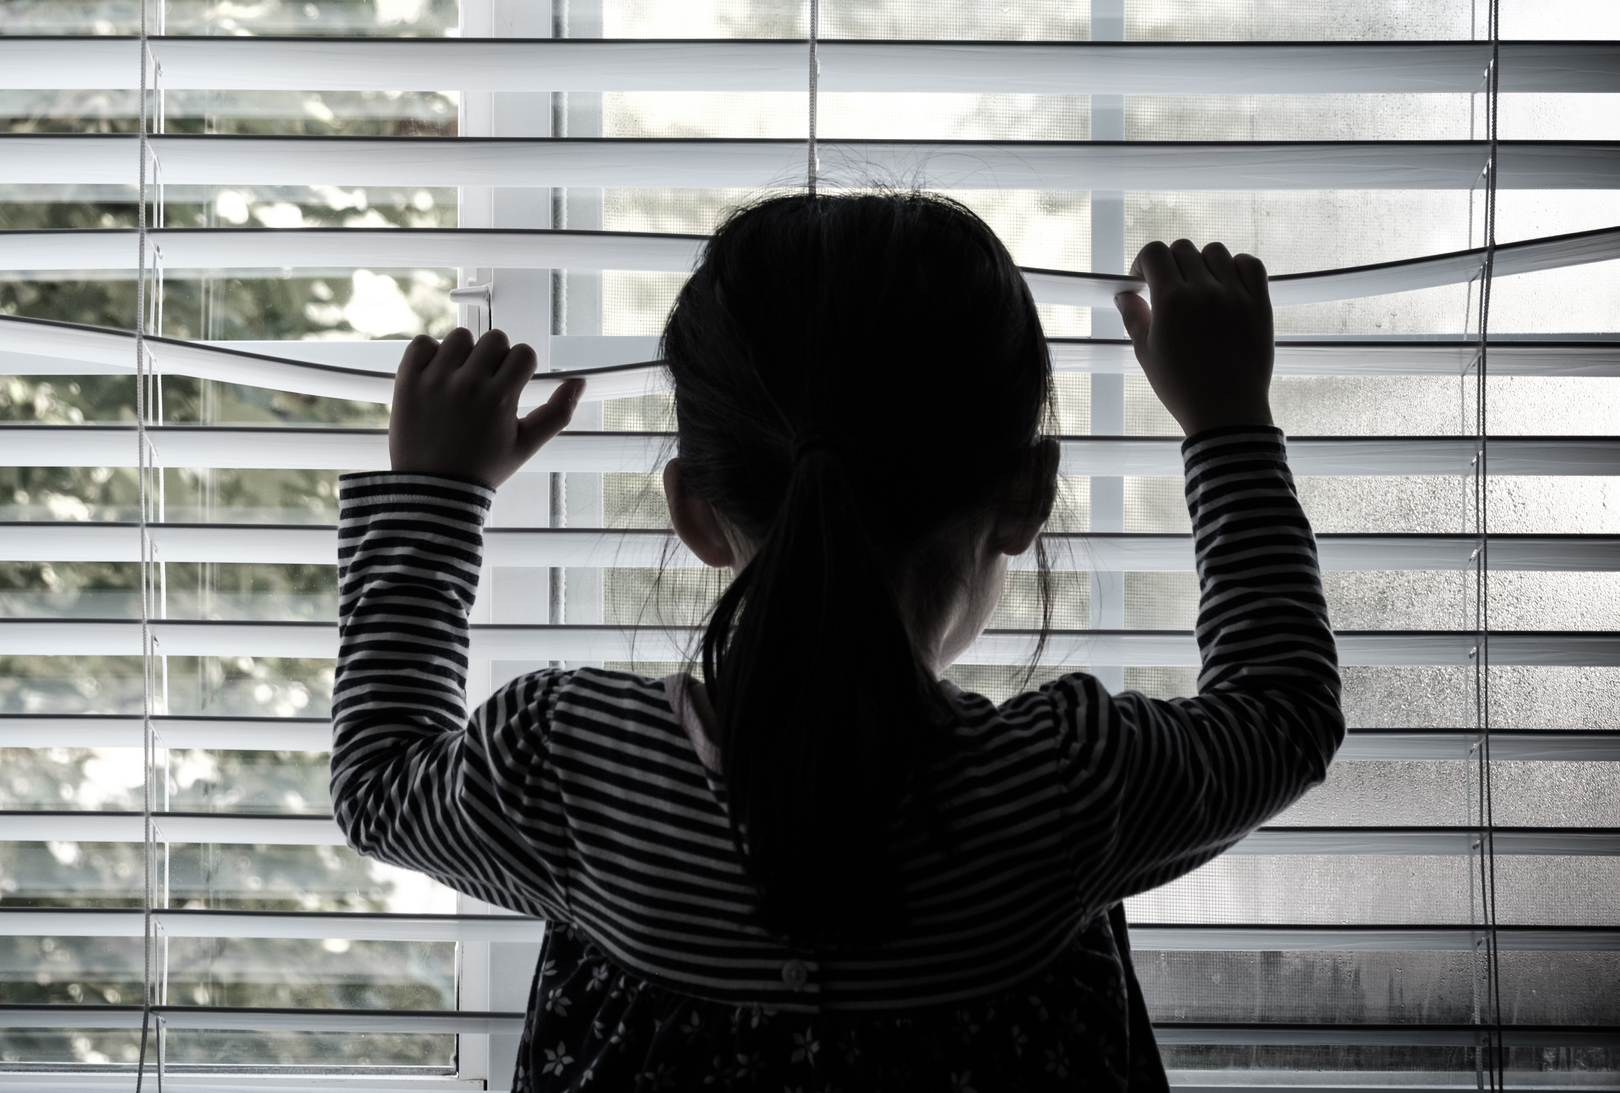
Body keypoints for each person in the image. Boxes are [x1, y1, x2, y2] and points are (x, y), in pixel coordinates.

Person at [333, 192, 1342, 1091]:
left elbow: (380, 783)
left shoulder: (572, 768)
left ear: (690, 508)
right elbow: (1282, 713)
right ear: (1030, 492)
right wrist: (1228, 421)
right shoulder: (1064, 788)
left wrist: (435, 495)